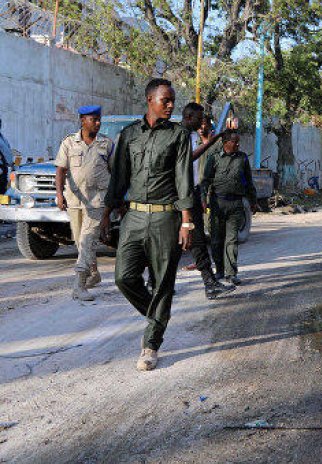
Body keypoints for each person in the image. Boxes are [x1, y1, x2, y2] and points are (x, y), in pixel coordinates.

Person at [101, 78, 195, 372]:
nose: (171, 105)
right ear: (150, 100)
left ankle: (150, 345)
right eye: (166, 100)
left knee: (163, 281)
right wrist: (106, 214)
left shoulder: (178, 135)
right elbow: (119, 178)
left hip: (166, 218)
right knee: (124, 277)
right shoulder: (129, 135)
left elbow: (184, 179)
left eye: (172, 100)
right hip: (134, 216)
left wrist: (187, 223)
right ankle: (158, 316)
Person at [54, 105, 113, 301]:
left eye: (99, 119)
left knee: (87, 240)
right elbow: (61, 170)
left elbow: (115, 173)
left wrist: (114, 203)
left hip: (97, 201)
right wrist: (59, 195)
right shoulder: (69, 142)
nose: (98, 123)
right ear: (82, 121)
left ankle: (78, 285)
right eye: (93, 119)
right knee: (80, 241)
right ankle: (94, 273)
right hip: (74, 199)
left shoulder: (106, 144)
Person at [179, 102, 232, 299]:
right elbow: (188, 159)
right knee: (182, 241)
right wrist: (210, 142)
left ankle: (210, 283)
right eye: (199, 118)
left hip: (192, 192)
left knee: (198, 240)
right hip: (180, 195)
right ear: (189, 117)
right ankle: (154, 283)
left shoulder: (192, 135)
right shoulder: (179, 135)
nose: (202, 122)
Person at [200, 131, 258, 286]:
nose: (238, 144)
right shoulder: (214, 158)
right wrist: (203, 199)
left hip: (235, 204)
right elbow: (205, 181)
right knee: (216, 240)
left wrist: (253, 201)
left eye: (238, 141)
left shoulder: (242, 158)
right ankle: (219, 270)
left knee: (231, 240)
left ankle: (231, 273)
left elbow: (248, 181)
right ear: (225, 142)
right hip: (217, 204)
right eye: (234, 141)